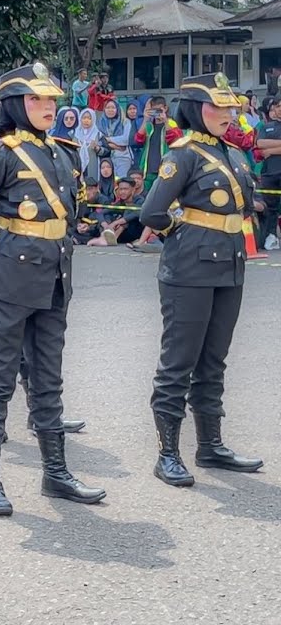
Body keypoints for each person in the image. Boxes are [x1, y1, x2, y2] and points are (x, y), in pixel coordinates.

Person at [0, 62, 105, 517]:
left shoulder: (63, 153)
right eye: (37, 100)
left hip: (55, 280)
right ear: (18, 105)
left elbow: (70, 214)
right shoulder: (4, 156)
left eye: (51, 100)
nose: (47, 108)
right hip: (11, 279)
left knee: (48, 378)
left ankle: (55, 472)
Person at [139, 72, 263, 488]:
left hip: (229, 264)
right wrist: (183, 232)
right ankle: (167, 453)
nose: (228, 113)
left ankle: (210, 445)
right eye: (218, 106)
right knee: (179, 362)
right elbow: (153, 211)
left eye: (230, 106)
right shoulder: (185, 153)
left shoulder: (230, 153)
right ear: (196, 109)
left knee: (213, 360)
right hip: (189, 268)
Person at [134, 96, 182, 191]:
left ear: (165, 108)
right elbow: (138, 140)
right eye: (154, 110)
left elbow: (176, 140)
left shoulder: (172, 123)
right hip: (148, 170)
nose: (157, 113)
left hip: (166, 169)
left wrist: (165, 122)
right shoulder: (148, 125)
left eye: (159, 110)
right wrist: (145, 119)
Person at [255, 97, 281, 249]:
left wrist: (270, 150)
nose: (280, 109)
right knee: (269, 207)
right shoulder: (266, 127)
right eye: (278, 106)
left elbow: (266, 148)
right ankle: (269, 236)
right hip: (269, 173)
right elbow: (260, 144)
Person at [99, 99, 133, 176]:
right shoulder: (101, 123)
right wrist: (117, 146)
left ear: (117, 109)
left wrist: (109, 139)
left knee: (122, 182)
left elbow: (125, 140)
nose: (110, 110)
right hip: (106, 158)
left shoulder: (125, 121)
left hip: (123, 157)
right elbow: (101, 141)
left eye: (113, 108)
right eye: (108, 108)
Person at [75, 107, 104, 181]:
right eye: (84, 118)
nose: (86, 121)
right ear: (80, 119)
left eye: (89, 118)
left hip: (92, 166)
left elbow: (106, 151)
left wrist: (97, 148)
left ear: (93, 120)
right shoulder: (75, 134)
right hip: (77, 167)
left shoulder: (98, 134)